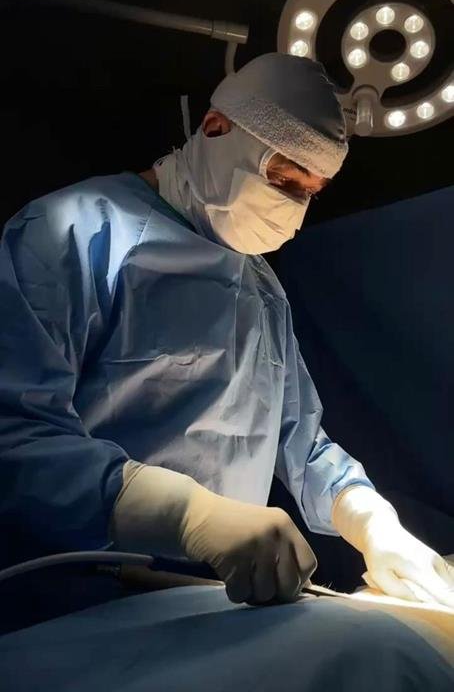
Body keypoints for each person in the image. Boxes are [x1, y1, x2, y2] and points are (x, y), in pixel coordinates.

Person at [0, 53, 453, 613]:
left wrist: (369, 519)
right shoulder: (70, 233)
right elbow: (15, 435)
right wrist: (187, 517)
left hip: (219, 601)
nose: (293, 209)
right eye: (283, 179)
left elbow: (300, 440)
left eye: (309, 192)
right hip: (78, 601)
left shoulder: (260, 287)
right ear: (216, 128)